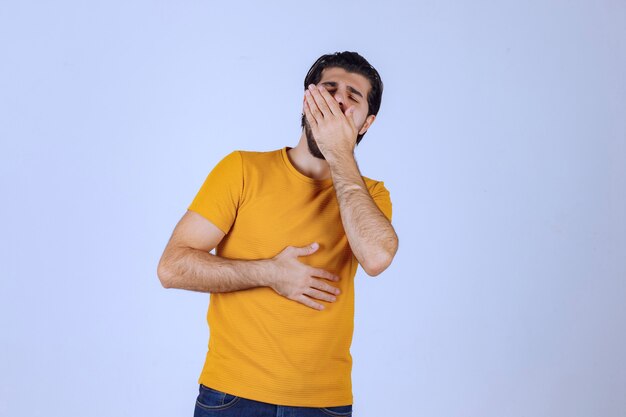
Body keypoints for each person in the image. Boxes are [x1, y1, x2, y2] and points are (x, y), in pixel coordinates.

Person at [157, 51, 399, 417]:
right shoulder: (241, 169)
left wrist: (339, 153)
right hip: (231, 396)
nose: (337, 101)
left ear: (366, 123)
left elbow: (377, 257)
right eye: (329, 90)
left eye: (353, 98)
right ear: (307, 100)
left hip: (323, 404)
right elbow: (172, 267)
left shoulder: (370, 195)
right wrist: (269, 272)